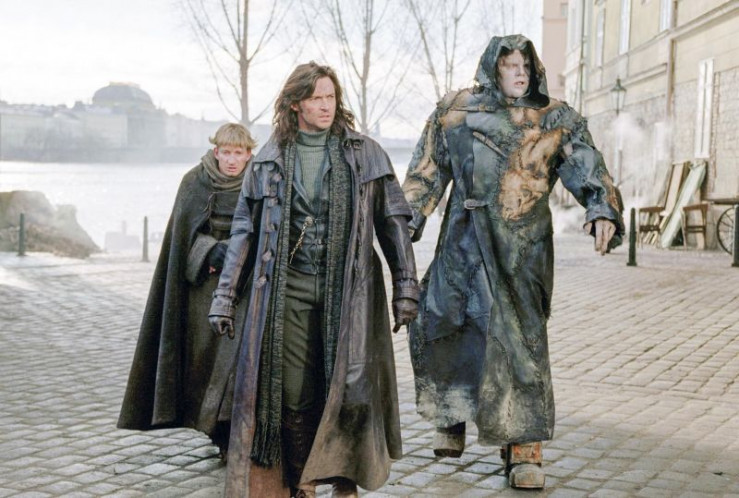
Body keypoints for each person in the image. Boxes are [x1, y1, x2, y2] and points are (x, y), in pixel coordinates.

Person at [402, 34, 624, 489]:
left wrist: (601, 208)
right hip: (462, 241)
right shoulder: (455, 112)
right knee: (443, 320)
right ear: (493, 67)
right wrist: (404, 223)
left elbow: (586, 164)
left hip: (522, 248)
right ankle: (452, 414)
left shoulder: (554, 117)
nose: (519, 73)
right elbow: (426, 173)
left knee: (520, 341)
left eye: (525, 64)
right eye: (509, 65)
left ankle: (525, 446)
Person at [208, 62, 419, 498]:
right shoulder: (267, 160)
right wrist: (224, 295)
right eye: (316, 98)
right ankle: (301, 480)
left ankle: (345, 478)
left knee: (350, 386)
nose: (326, 106)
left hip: (351, 290)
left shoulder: (366, 153)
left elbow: (393, 221)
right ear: (295, 104)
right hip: (289, 290)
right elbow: (244, 232)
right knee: (292, 391)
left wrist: (406, 288)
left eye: (331, 97)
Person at [117, 123, 256, 460]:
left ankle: (230, 434)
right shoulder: (194, 182)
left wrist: (239, 255)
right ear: (216, 151)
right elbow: (181, 239)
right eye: (226, 152)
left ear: (248, 154)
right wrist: (209, 251)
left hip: (244, 286)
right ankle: (212, 429)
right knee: (203, 362)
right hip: (202, 288)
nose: (232, 160)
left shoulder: (259, 182)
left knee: (235, 362)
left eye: (238, 153)